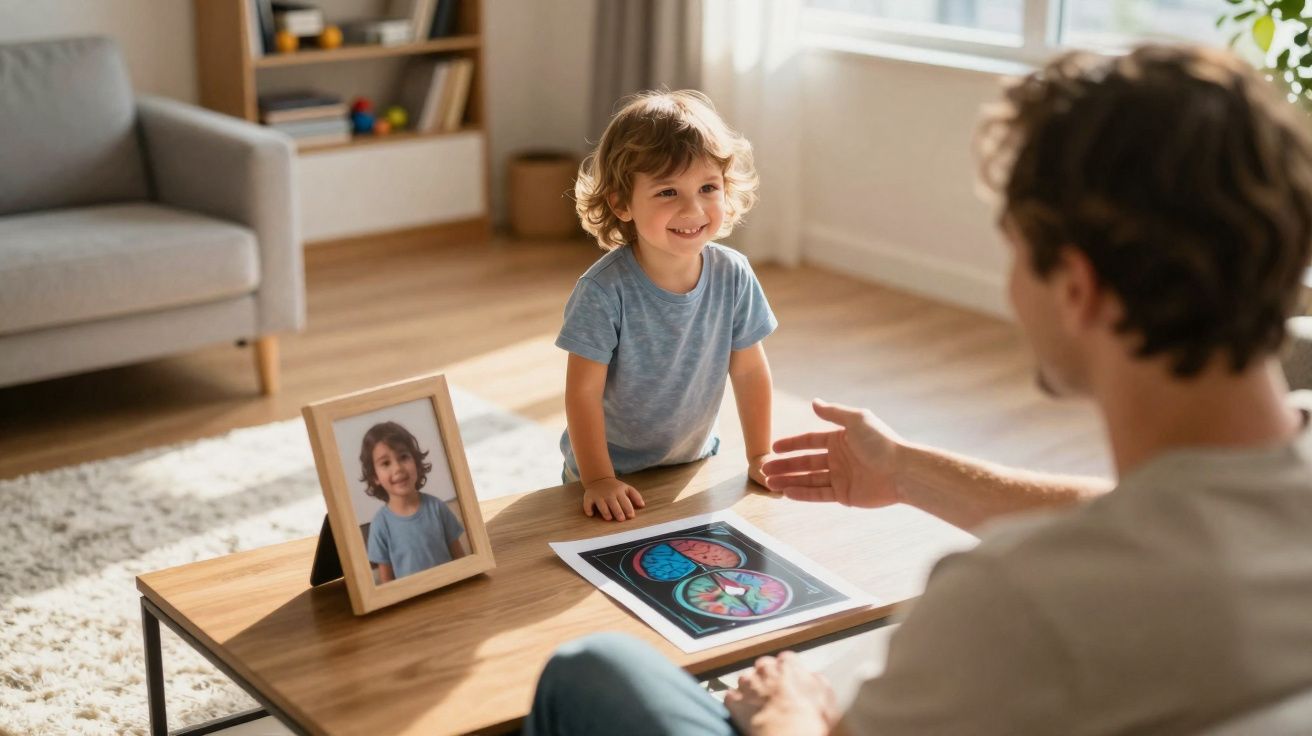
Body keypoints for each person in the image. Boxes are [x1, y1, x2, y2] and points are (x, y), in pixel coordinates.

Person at [524, 44, 1312, 735]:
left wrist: (792, 707)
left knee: (588, 670)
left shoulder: (1009, 603)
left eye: (1012, 250)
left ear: (1077, 288)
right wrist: (905, 470)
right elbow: (1160, 515)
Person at [558, 89, 778, 522]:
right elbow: (582, 394)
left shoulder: (734, 275)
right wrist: (598, 479)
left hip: (692, 464)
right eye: (667, 193)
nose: (692, 208)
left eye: (707, 187)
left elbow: (750, 371)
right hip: (608, 475)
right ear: (621, 203)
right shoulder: (602, 292)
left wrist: (760, 454)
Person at [359, 421, 466, 582]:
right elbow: (387, 584)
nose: (397, 468)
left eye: (403, 457)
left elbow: (461, 559)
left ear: (415, 461)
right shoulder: (380, 525)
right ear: (375, 477)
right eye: (386, 463)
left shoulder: (437, 508)